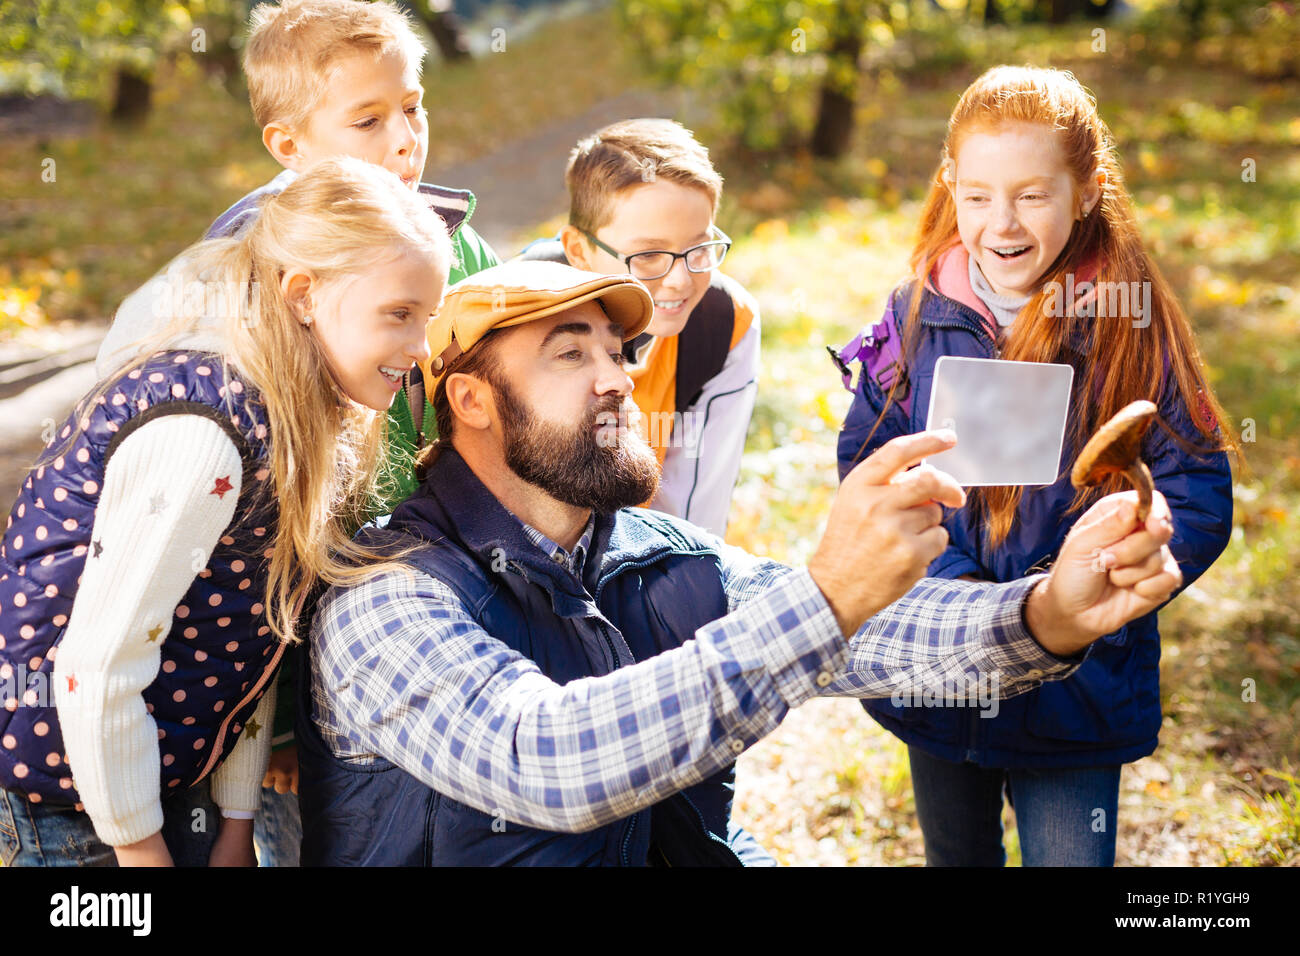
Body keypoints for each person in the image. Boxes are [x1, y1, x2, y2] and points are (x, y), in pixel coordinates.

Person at [296, 259, 1183, 866]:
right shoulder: (385, 596)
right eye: (570, 354)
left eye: (618, 352)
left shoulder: (662, 560)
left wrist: (1048, 613)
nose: (616, 380)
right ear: (472, 400)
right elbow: (544, 759)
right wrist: (826, 596)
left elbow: (863, 635)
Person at [93, 0, 501, 865]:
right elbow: (240, 559)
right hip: (286, 636)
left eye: (415, 106)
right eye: (369, 119)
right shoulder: (257, 260)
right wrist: (267, 726)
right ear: (289, 145)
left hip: (415, 592)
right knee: (322, 833)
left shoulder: (441, 237)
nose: (405, 138)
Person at [832, 65, 1235, 866]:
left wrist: (1101, 575)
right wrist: (957, 595)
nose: (1001, 221)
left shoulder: (1131, 322)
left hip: (1076, 691)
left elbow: (1195, 487)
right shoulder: (916, 314)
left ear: (1086, 189)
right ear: (951, 185)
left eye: (1032, 194)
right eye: (977, 195)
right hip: (942, 672)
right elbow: (868, 465)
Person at [0, 158, 450, 867]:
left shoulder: (297, 420)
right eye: (398, 314)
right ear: (303, 294)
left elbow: (250, 638)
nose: (420, 348)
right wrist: (142, 850)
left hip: (169, 786)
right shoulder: (205, 432)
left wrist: (236, 819)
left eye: (428, 318)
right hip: (77, 810)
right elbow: (98, 664)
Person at [515, 118, 758, 536]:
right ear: (579, 249)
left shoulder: (724, 323)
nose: (680, 280)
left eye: (699, 247)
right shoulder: (516, 319)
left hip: (648, 552)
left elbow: (697, 508)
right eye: (647, 255)